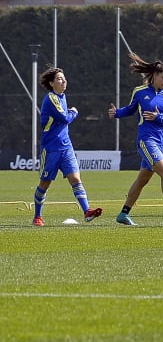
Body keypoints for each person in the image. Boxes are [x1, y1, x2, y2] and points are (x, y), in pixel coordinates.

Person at [108, 53, 163, 226]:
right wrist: (116, 113)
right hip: (145, 140)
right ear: (155, 75)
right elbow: (131, 109)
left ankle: (123, 214)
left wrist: (158, 118)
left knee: (142, 180)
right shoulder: (140, 92)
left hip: (159, 142)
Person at [32, 67, 103, 226]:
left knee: (76, 179)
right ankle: (37, 216)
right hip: (51, 148)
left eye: (64, 78)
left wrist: (70, 112)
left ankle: (87, 211)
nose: (63, 80)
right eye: (59, 78)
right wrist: (74, 112)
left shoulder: (62, 97)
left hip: (66, 147)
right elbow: (64, 118)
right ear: (51, 83)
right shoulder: (51, 98)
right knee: (45, 183)